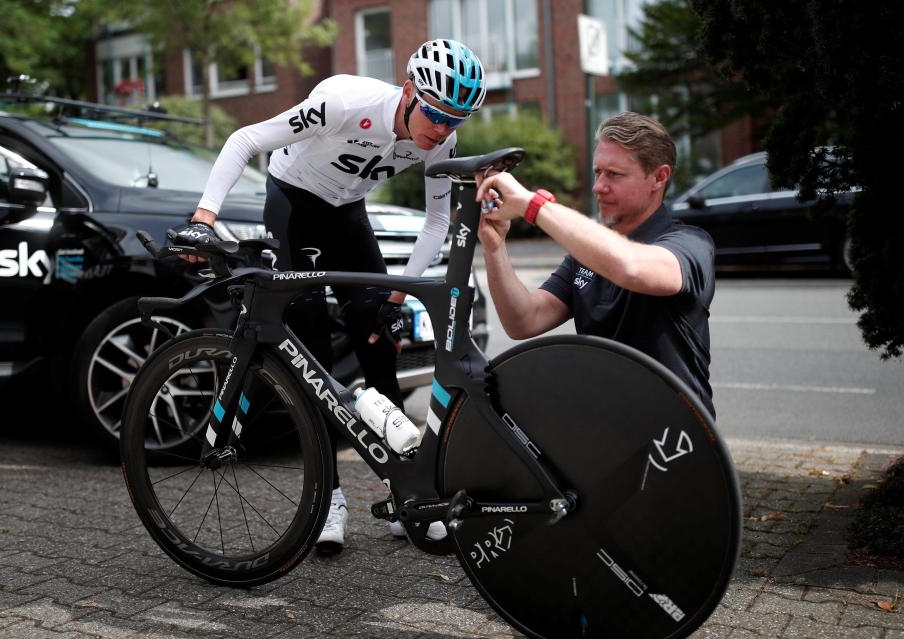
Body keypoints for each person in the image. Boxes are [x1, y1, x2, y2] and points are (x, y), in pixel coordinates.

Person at [174, 39, 487, 554]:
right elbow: (244, 138)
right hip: (295, 206)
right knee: (313, 351)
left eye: (456, 121)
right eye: (435, 114)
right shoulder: (343, 101)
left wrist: (394, 294)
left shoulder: (440, 141)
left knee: (381, 342)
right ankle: (329, 498)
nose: (442, 130)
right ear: (408, 91)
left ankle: (402, 491)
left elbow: (436, 221)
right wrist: (204, 217)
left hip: (348, 215)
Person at [475, 111, 716, 417]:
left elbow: (632, 268)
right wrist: (495, 248)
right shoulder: (586, 255)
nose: (598, 186)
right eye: (597, 172)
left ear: (659, 177)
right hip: (603, 430)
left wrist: (531, 205)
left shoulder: (690, 243)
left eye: (614, 174)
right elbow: (524, 321)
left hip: (673, 440)